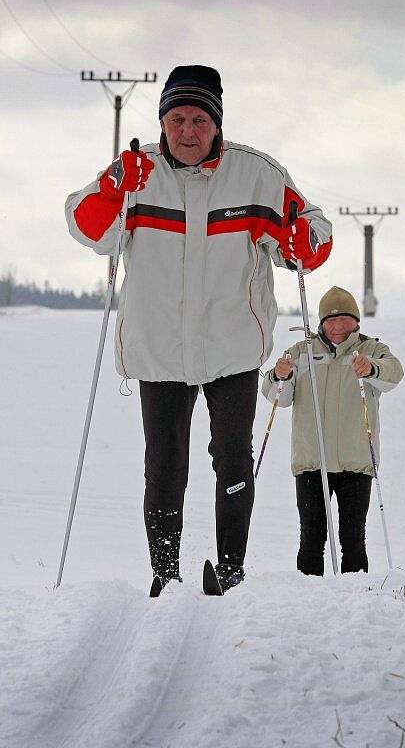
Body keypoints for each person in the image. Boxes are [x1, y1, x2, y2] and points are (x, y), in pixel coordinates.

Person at [65, 64, 333, 596]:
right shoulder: (135, 175)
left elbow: (310, 240)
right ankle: (165, 573)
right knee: (164, 463)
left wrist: (306, 238)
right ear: (163, 122)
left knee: (232, 457)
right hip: (159, 348)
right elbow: (87, 228)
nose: (187, 131)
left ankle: (230, 569)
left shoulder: (257, 175)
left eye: (199, 120)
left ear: (217, 125)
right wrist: (111, 186)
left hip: (231, 346)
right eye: (177, 119)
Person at [262, 286, 403, 576]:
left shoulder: (371, 349)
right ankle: (309, 601)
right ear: (322, 323)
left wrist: (372, 368)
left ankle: (357, 603)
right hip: (313, 463)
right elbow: (278, 397)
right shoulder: (301, 352)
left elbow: (394, 373)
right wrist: (279, 375)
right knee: (311, 539)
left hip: (356, 463)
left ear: (356, 322)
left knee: (354, 540)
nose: (338, 327)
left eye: (345, 320)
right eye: (332, 320)